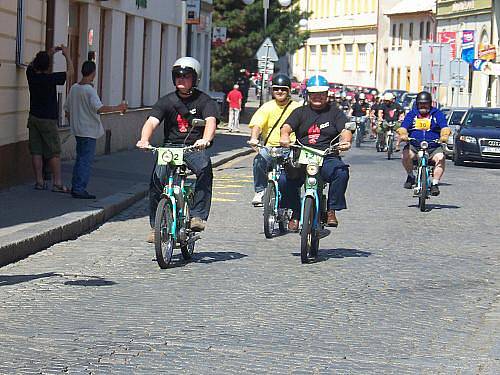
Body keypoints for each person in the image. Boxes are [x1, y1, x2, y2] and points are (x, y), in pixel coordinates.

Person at [136, 57, 219, 242]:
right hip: (170, 146)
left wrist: (205, 139)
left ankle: (197, 215)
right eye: (178, 76)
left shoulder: (204, 101)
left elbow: (211, 121)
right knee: (157, 180)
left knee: (204, 169)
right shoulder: (167, 101)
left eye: (186, 76)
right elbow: (152, 121)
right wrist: (144, 139)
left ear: (195, 79)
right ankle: (154, 227)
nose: (181, 79)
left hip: (193, 147)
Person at [279, 75, 352, 231]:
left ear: (327, 94)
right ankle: (296, 212)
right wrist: (284, 135)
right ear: (308, 95)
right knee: (284, 179)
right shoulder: (300, 112)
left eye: (321, 93)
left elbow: (345, 129)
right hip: (303, 153)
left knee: (341, 172)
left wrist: (345, 141)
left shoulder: (335, 113)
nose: (317, 97)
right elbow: (286, 126)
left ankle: (331, 210)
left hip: (327, 155)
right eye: (313, 93)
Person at [64, 61, 127, 199]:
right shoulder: (89, 90)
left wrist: (73, 122)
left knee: (80, 159)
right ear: (93, 73)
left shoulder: (74, 88)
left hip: (78, 130)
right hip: (88, 130)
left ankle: (76, 186)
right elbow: (99, 108)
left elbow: (67, 110)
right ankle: (79, 188)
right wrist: (118, 108)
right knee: (85, 160)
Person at [247, 73, 300, 207]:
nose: (279, 91)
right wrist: (254, 138)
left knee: (293, 176)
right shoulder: (267, 107)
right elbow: (257, 125)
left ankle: (296, 203)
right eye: (276, 89)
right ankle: (260, 191)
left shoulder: (297, 107)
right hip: (271, 148)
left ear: (289, 91)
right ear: (272, 91)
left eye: (283, 89)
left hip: (291, 149)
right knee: (259, 160)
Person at [26, 46, 74, 192]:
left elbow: (31, 64)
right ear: (48, 66)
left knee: (36, 151)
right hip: (48, 119)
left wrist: (49, 53)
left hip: (33, 117)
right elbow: (71, 72)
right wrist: (67, 55)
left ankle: (39, 182)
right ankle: (57, 183)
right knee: (54, 152)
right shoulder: (51, 78)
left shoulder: (31, 75)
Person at [397, 91, 451, 196]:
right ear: (417, 104)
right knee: (405, 155)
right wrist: (403, 133)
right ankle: (410, 176)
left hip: (433, 146)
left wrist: (444, 135)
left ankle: (435, 183)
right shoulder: (412, 114)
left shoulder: (437, 114)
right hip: (415, 145)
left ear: (430, 103)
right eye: (421, 103)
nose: (423, 106)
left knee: (441, 158)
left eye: (425, 103)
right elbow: (404, 126)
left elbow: (444, 126)